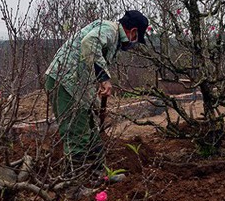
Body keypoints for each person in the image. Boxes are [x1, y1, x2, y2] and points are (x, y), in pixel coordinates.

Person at [45, 10, 149, 173]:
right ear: (133, 32)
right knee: (77, 134)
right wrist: (104, 78)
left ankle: (98, 175)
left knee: (92, 133)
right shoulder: (110, 29)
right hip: (64, 82)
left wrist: (95, 103)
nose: (133, 45)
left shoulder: (111, 36)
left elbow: (87, 66)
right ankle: (74, 186)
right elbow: (89, 42)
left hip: (76, 85)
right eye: (136, 40)